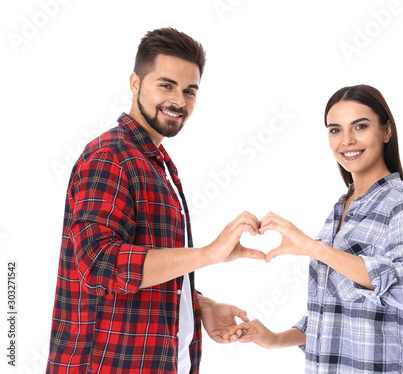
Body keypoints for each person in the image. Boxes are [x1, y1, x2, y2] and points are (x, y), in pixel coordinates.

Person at [46, 27, 265, 374]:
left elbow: (148, 267)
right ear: (135, 83)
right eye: (166, 85)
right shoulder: (110, 158)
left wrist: (199, 305)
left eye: (189, 90)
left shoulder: (157, 164)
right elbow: (100, 264)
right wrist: (209, 254)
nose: (179, 101)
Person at [226, 85, 403, 373]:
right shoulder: (341, 207)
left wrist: (314, 248)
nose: (346, 140)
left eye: (360, 126)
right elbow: (335, 315)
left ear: (386, 131)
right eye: (335, 130)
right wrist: (274, 339)